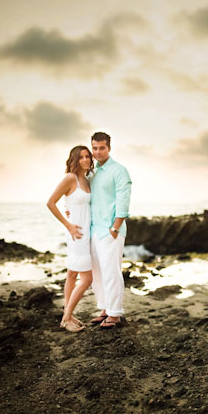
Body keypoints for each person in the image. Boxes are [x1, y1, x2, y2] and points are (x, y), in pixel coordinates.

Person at [88, 131, 132, 330]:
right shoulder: (92, 172)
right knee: (97, 271)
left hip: (111, 230)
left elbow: (123, 201)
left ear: (109, 148)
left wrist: (115, 227)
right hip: (94, 230)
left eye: (101, 148)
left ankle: (115, 313)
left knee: (111, 270)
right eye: (94, 148)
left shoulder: (119, 170)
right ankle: (105, 308)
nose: (97, 152)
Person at [46, 145, 93, 332]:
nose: (85, 160)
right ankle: (67, 317)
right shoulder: (70, 178)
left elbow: (77, 203)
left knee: (72, 274)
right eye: (81, 157)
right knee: (87, 278)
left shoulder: (87, 180)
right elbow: (50, 202)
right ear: (74, 159)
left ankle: (70, 314)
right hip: (77, 233)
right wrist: (68, 225)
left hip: (86, 232)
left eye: (88, 156)